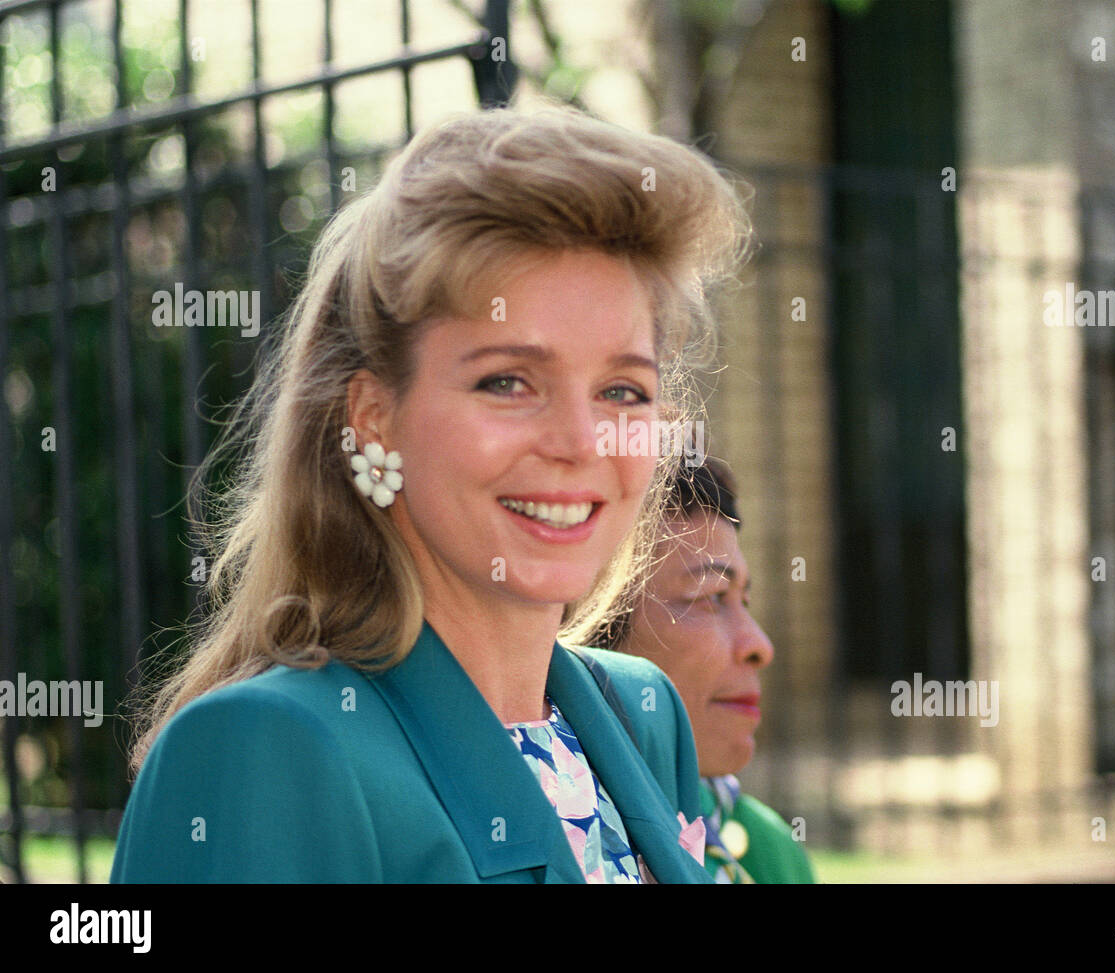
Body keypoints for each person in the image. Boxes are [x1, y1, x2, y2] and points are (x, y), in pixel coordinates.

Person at [110, 102, 753, 883]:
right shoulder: (266, 747)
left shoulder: (645, 716)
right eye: (509, 381)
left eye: (622, 391)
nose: (583, 442)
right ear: (375, 419)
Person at [602, 455, 816, 883]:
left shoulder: (764, 847)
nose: (760, 646)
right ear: (595, 622)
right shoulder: (561, 834)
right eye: (712, 596)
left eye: (744, 600)